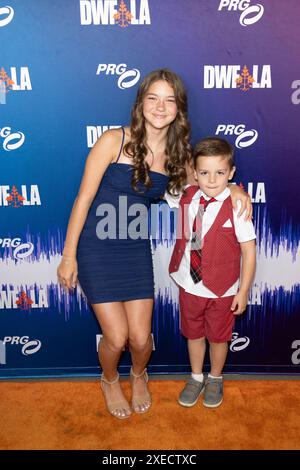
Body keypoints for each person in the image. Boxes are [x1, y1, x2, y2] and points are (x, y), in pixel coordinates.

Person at [57, 70, 251, 420]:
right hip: (96, 249)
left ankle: (138, 373)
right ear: (141, 103)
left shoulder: (179, 156)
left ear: (179, 108)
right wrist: (68, 256)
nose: (160, 107)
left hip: (134, 249)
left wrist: (237, 189)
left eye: (169, 100)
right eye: (153, 98)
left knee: (141, 340)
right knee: (116, 338)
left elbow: (214, 182)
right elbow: (83, 199)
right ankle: (110, 378)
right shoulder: (113, 141)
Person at [165, 137, 256, 409]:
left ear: (231, 173)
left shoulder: (238, 206)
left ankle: (215, 377)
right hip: (188, 284)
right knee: (194, 334)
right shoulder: (186, 194)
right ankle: (196, 377)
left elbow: (249, 252)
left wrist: (243, 290)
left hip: (223, 290)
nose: (212, 180)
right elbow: (159, 178)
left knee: (218, 337)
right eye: (204, 173)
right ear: (194, 173)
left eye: (220, 173)